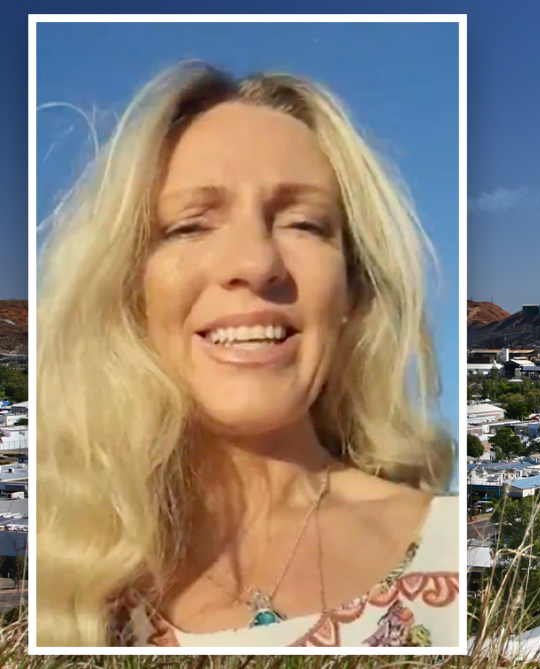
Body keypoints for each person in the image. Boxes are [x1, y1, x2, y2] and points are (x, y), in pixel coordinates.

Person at [35, 62, 459, 648]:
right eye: (189, 227)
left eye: (304, 224)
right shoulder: (64, 577)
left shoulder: (458, 562)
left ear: (351, 291)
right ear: (127, 289)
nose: (256, 263)